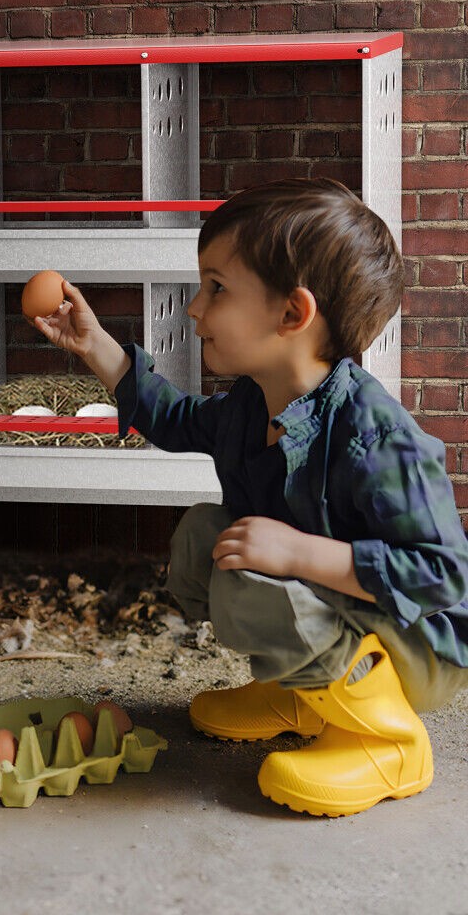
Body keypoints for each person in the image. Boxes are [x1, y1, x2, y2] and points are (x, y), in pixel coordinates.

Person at [34, 177, 468, 818]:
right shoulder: (250, 403)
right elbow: (174, 418)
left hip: (418, 641)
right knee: (206, 537)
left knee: (254, 575)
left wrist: (299, 554)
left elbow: (443, 573)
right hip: (350, 614)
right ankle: (302, 697)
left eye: (217, 288)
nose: (194, 308)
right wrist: (93, 342)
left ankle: (387, 741)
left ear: (292, 314)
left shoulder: (376, 437)